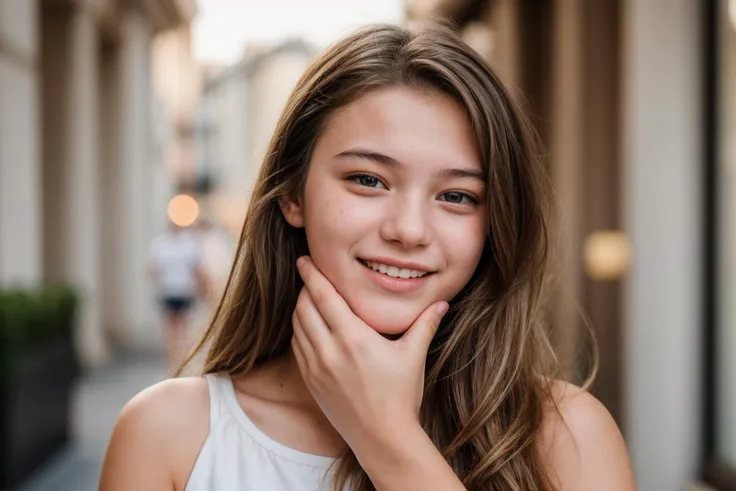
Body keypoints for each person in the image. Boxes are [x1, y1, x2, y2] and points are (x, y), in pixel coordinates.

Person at [100, 24, 636, 491]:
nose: (407, 230)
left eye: (457, 196)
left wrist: (388, 440)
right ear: (292, 194)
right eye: (368, 180)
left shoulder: (568, 437)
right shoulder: (169, 436)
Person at [148, 221, 207, 370]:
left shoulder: (183, 243)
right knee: (174, 326)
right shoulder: (165, 244)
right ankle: (174, 358)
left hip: (181, 290)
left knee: (179, 325)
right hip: (172, 289)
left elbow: (196, 269)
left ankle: (177, 358)